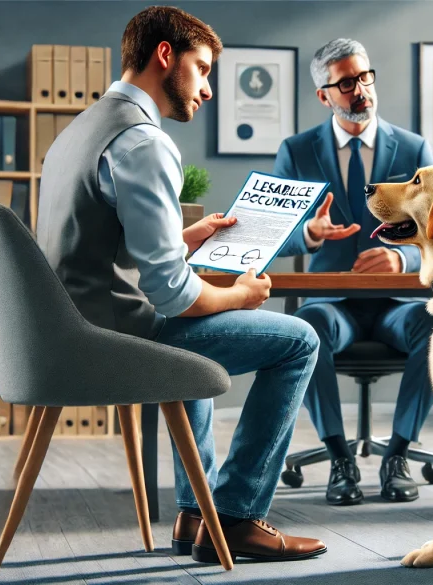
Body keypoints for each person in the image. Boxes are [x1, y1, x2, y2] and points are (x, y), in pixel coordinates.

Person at [36, 6, 326, 563]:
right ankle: (238, 516)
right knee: (299, 340)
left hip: (71, 331)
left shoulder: (80, 130)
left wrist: (183, 236)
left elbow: (95, 239)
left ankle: (198, 514)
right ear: (165, 56)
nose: (208, 89)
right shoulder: (144, 142)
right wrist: (241, 295)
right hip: (117, 339)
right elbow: (173, 294)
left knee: (197, 326)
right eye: (203, 68)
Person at [273, 38, 433, 506]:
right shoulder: (297, 152)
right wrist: (308, 234)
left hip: (398, 307)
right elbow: (272, 240)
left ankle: (399, 454)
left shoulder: (412, 148)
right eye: (346, 82)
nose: (361, 89)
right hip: (333, 305)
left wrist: (402, 258)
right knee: (307, 328)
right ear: (324, 95)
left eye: (365, 77)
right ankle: (339, 456)